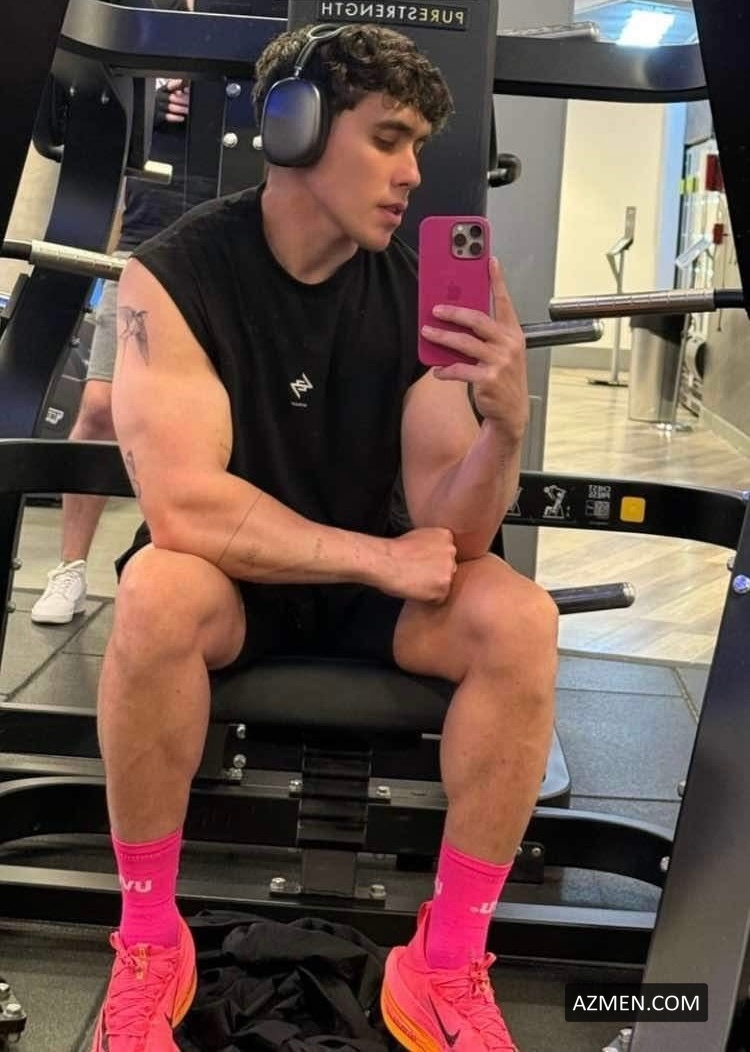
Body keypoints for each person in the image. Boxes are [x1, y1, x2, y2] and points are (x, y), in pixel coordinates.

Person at [92, 21, 559, 1052]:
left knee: (520, 618)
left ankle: (446, 959)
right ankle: (149, 939)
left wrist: (504, 433)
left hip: (369, 595)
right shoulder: (173, 275)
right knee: (156, 588)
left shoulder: (417, 292)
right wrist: (378, 557)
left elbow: (453, 530)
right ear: (294, 128)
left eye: (420, 147)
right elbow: (184, 508)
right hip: (234, 582)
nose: (411, 174)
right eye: (388, 138)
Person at [30, 3, 193, 625]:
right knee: (99, 407)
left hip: (230, 232)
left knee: (199, 420)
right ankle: (70, 568)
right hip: (145, 240)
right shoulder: (150, 14)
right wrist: (156, 102)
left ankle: (170, 565)